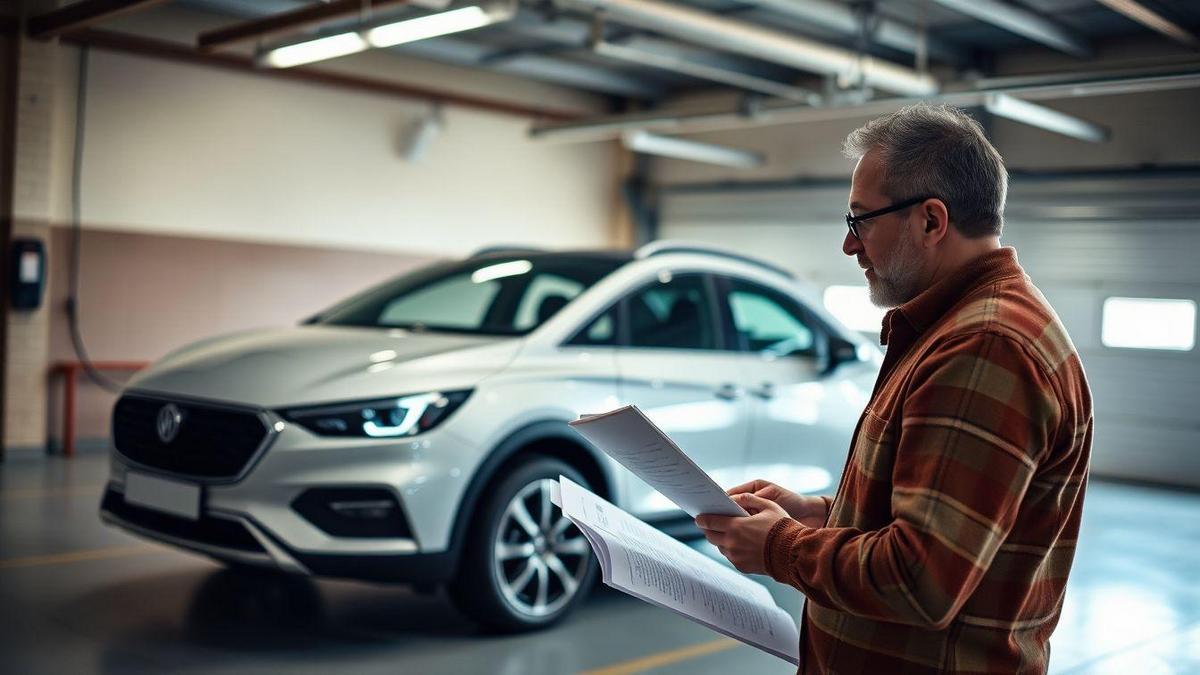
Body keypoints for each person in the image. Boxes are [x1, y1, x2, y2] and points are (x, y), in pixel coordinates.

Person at [696, 103, 1093, 674]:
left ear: (931, 221)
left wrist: (780, 547)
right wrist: (819, 515)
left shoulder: (986, 346)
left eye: (860, 221)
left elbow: (921, 579)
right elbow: (939, 521)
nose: (849, 246)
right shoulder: (959, 329)